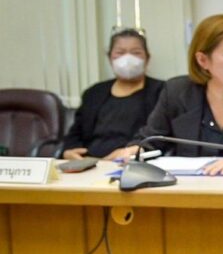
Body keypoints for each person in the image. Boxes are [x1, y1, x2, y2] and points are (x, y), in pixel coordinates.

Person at [111, 14, 223, 175]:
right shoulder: (176, 92)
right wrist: (137, 151)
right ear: (203, 60)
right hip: (189, 191)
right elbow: (150, 140)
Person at [63, 29, 164, 160]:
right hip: (88, 163)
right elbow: (75, 133)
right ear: (110, 58)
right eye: (120, 53)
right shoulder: (94, 93)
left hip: (131, 162)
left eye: (136, 53)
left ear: (147, 58)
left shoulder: (162, 91)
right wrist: (68, 152)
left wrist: (131, 151)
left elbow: (159, 135)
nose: (127, 59)